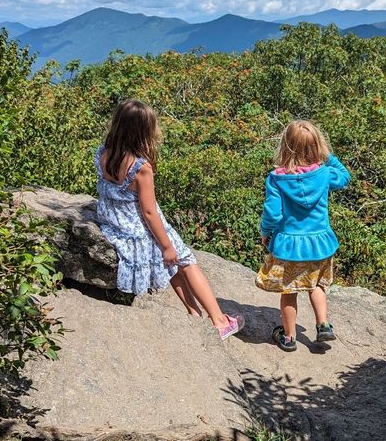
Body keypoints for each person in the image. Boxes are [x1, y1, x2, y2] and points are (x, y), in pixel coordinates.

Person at [95, 99, 244, 339]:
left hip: (116, 224)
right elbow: (149, 212)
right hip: (140, 229)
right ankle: (219, 321)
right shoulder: (141, 167)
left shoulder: (104, 153)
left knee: (173, 265)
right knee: (186, 261)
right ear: (145, 132)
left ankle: (194, 314)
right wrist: (166, 245)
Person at [256, 120, 351, 351]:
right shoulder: (324, 173)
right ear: (318, 146)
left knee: (289, 292)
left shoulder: (276, 178)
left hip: (289, 247)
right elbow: (345, 177)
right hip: (319, 244)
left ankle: (289, 338)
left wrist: (265, 233)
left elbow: (273, 213)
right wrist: (328, 156)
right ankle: (324, 325)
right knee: (316, 284)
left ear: (285, 145)